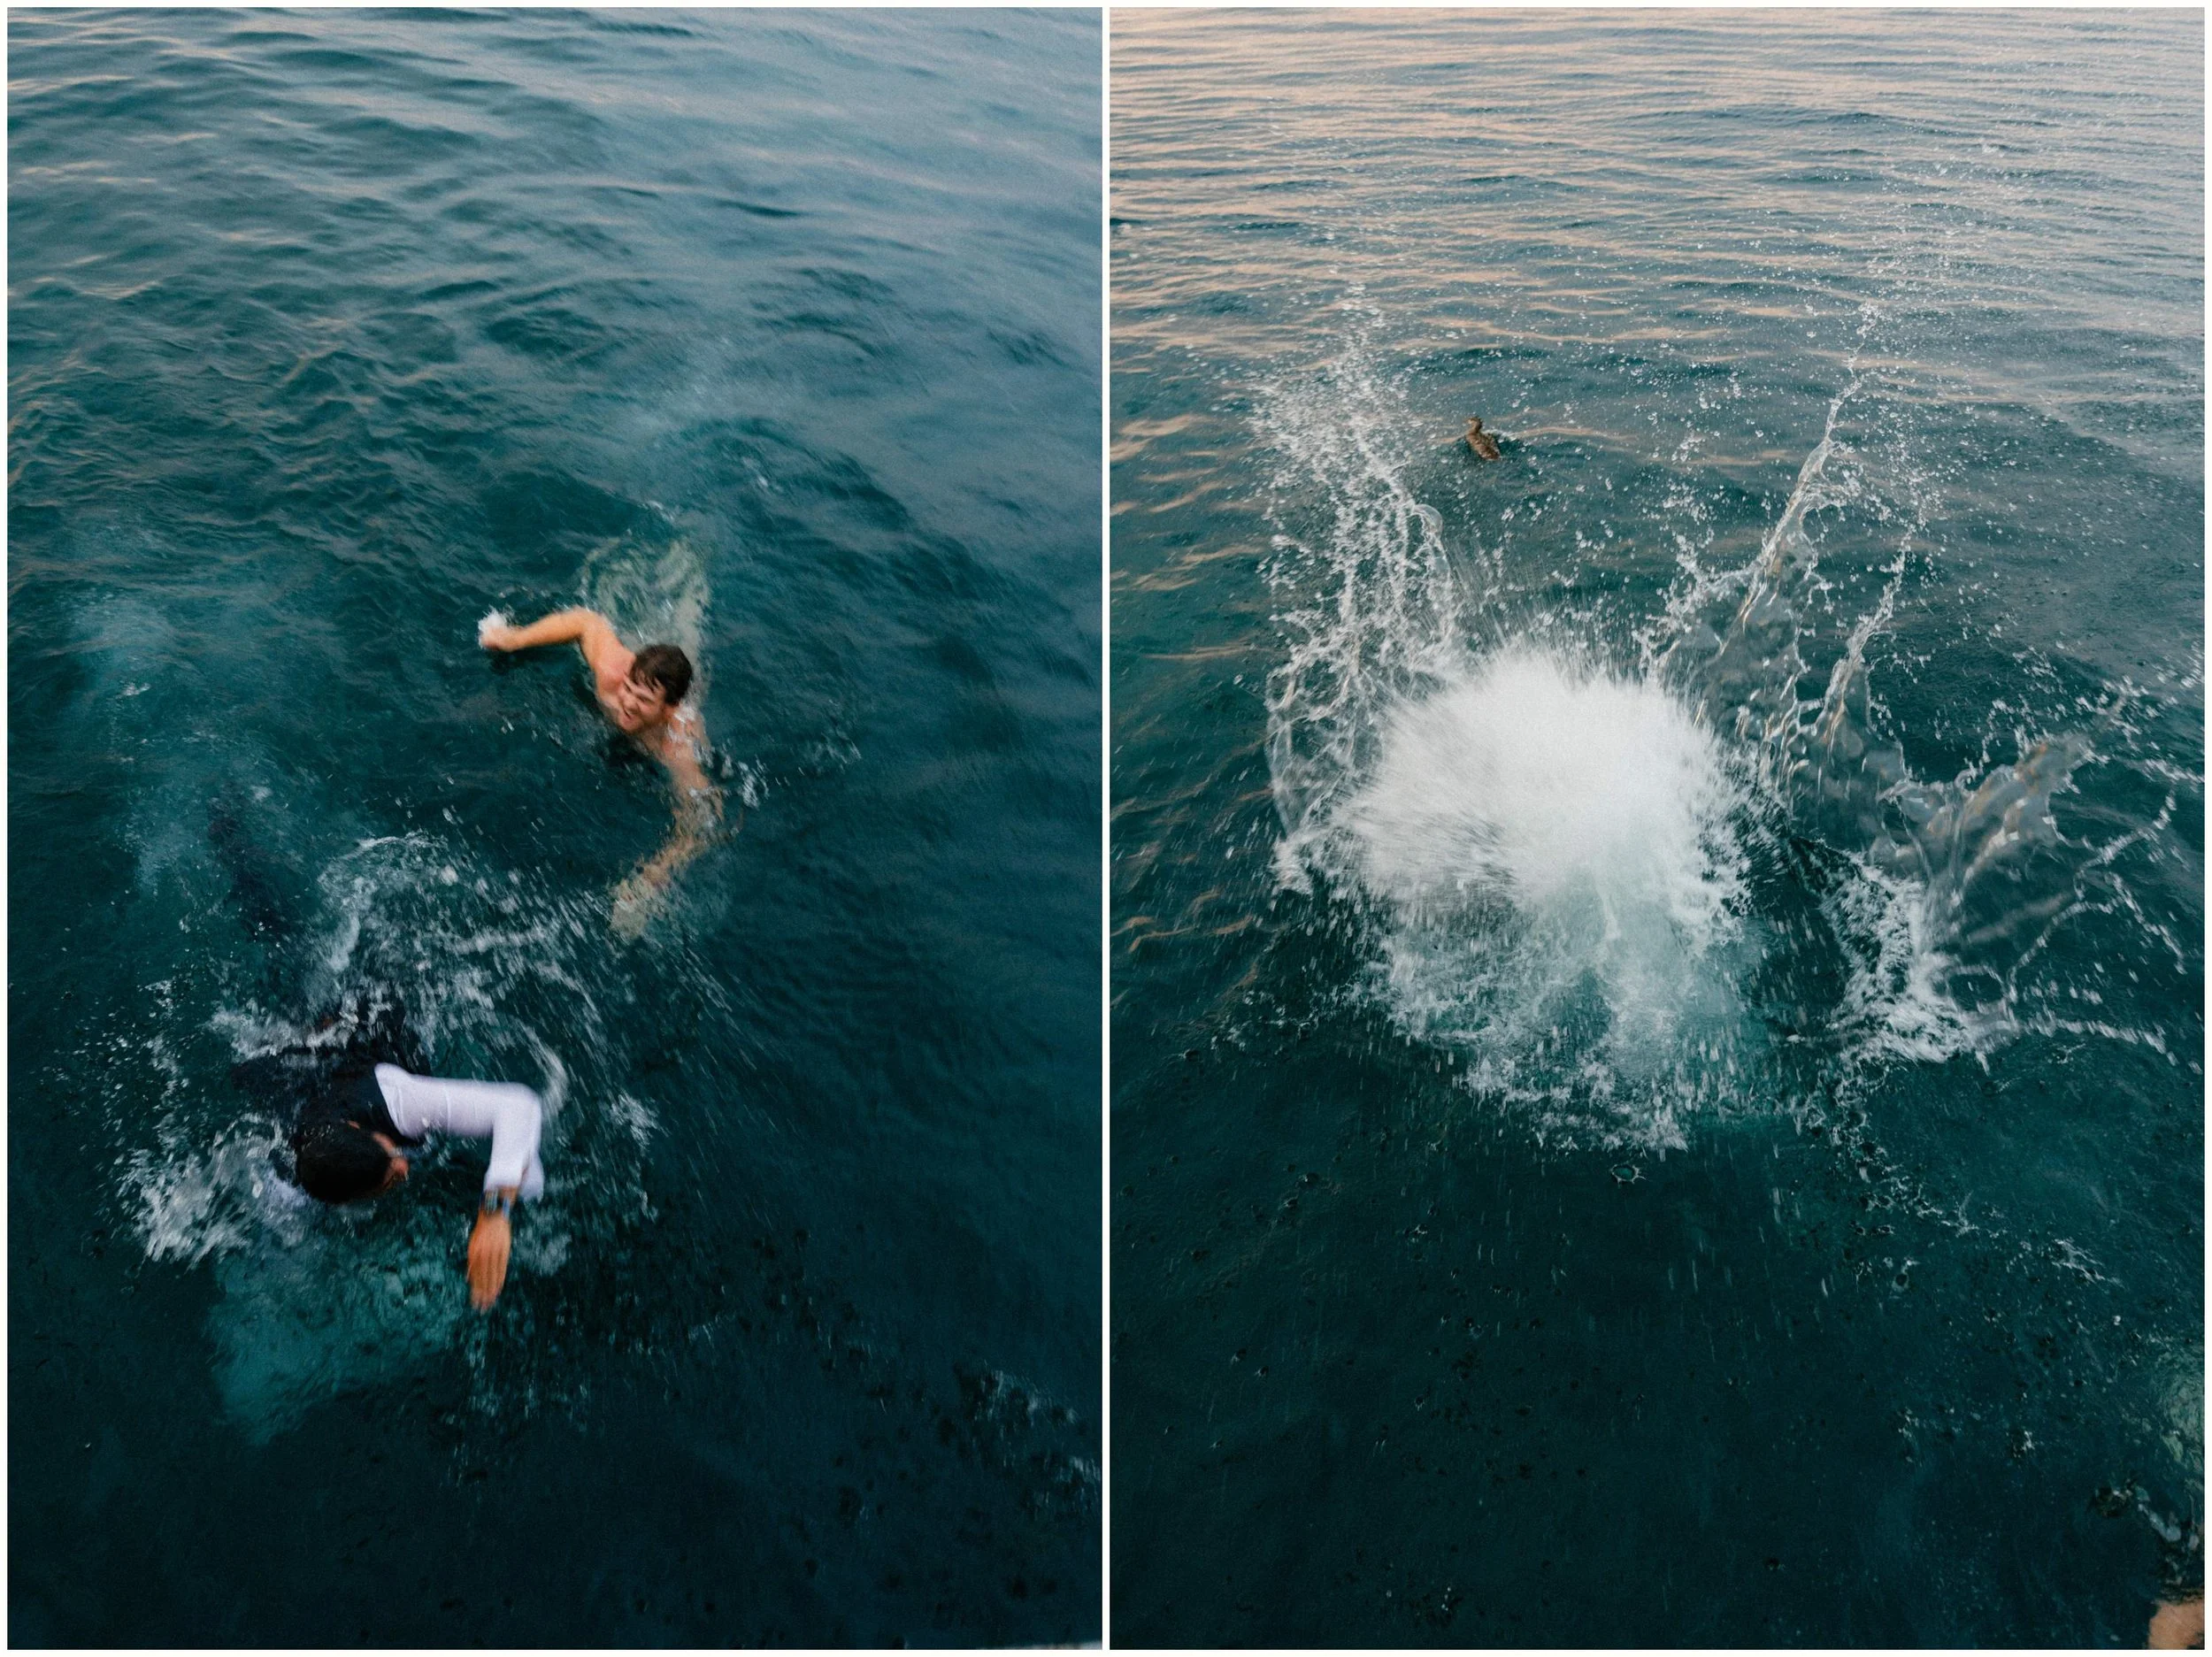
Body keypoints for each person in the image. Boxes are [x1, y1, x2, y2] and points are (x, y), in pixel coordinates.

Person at [237, 993, 544, 1310]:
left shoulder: (397, 1100)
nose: (403, 1168)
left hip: (370, 1047)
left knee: (531, 1182)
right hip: (304, 1089)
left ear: (359, 1129)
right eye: (387, 1179)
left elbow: (519, 1105)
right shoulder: (289, 1177)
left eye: (389, 1153)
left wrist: (494, 1212)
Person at [479, 607, 722, 924]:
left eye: (644, 701)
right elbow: (585, 621)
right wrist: (515, 638)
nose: (629, 704)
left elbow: (706, 813)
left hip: (675, 703)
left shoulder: (676, 747)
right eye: (630, 690)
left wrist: (655, 874)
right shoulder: (612, 676)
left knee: (689, 632)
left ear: (669, 710)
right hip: (643, 670)